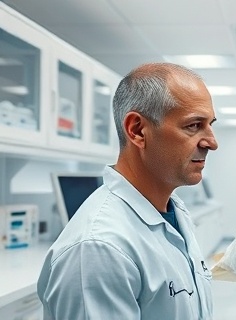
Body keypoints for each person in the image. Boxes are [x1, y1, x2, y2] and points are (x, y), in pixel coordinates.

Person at [37, 62, 219, 319]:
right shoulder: (99, 249)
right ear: (137, 131)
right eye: (193, 125)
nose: (212, 142)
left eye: (210, 124)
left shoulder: (173, 211)